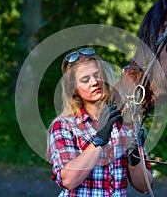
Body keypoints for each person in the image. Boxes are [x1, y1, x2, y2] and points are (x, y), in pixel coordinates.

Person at [47, 46, 153, 196]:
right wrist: (99, 139)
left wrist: (134, 158)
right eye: (85, 80)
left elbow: (144, 186)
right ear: (74, 89)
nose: (94, 82)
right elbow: (68, 180)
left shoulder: (126, 122)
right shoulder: (64, 125)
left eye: (97, 75)